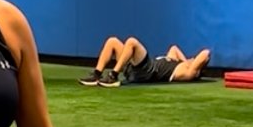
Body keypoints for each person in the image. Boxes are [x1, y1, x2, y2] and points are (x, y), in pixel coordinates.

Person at [80, 35, 210, 88]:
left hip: (147, 72)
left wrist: (190, 63)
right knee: (112, 41)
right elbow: (174, 48)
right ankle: (96, 75)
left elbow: (206, 53)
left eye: (194, 59)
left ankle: (113, 76)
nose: (193, 57)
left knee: (132, 42)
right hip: (137, 68)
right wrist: (186, 60)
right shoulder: (177, 62)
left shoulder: (187, 72)